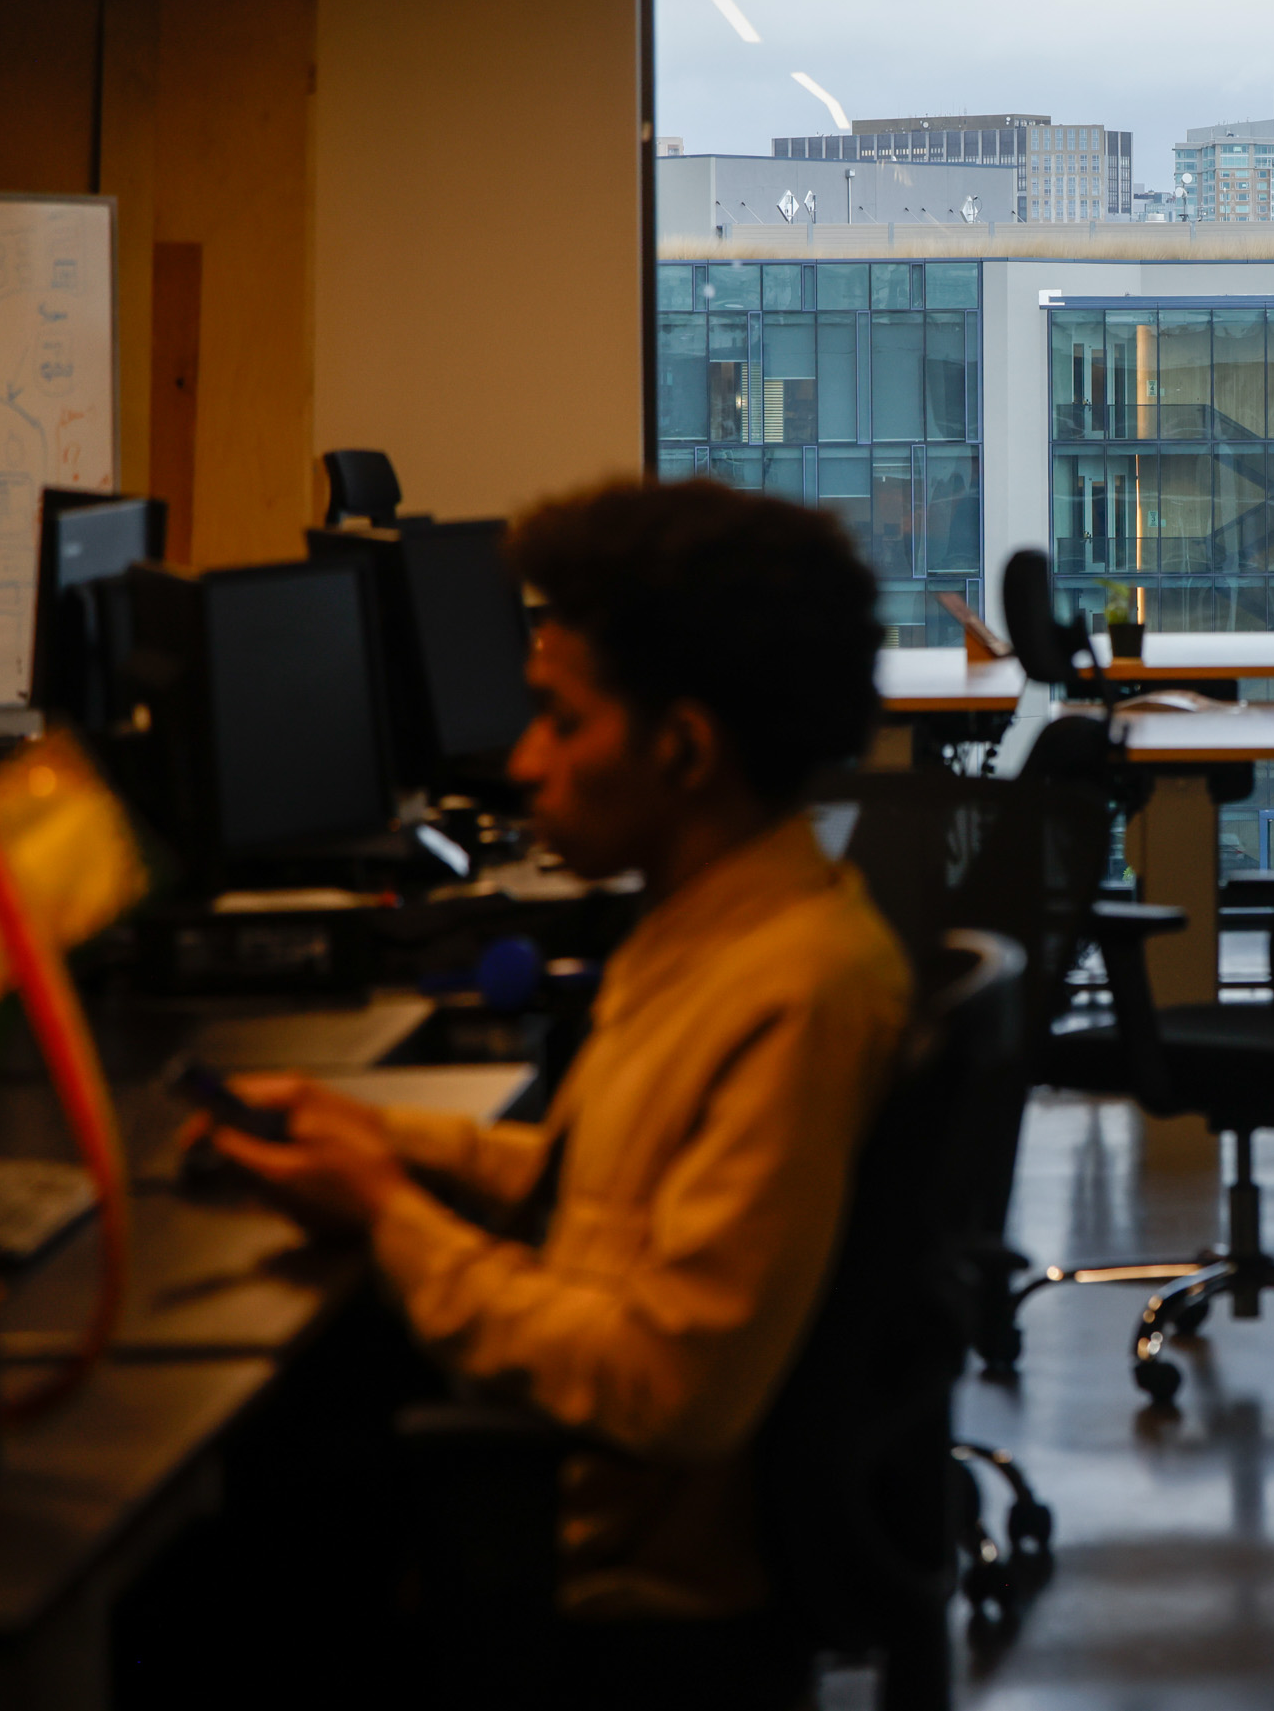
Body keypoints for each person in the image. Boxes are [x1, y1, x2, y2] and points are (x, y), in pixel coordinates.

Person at [201, 477, 908, 1689]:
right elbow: (604, 1190)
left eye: (561, 722)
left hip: (599, 1588)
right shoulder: (715, 929)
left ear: (682, 747)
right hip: (563, 1514)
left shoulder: (793, 988)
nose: (524, 763)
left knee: (158, 1562)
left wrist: (389, 1215)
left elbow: (662, 1388)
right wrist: (376, 1143)